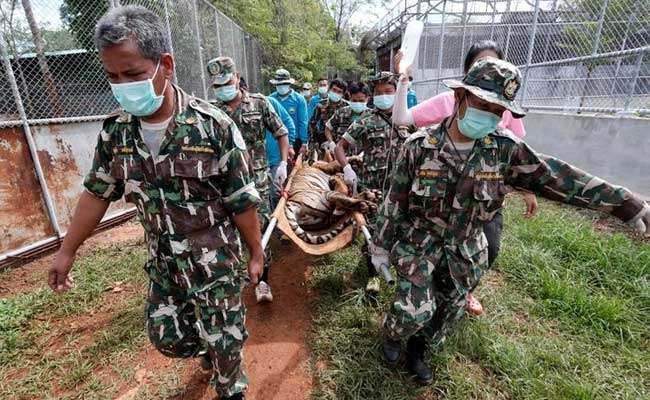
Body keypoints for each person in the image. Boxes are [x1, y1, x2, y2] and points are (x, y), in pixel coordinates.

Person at [372, 57, 650, 385]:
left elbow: (561, 179)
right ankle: (394, 335)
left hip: (466, 251)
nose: (488, 115)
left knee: (446, 313)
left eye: (497, 109)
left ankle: (419, 350)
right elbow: (396, 199)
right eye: (482, 104)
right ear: (460, 96)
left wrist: (631, 206)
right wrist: (380, 246)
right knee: (411, 310)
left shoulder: (504, 149)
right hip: (420, 243)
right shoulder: (419, 146)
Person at [47, 7, 263, 400]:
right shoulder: (116, 132)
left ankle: (231, 383)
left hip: (215, 257)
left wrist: (256, 252)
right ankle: (210, 349)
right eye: (113, 77)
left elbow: (241, 200)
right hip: (164, 260)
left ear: (166, 64)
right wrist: (67, 249)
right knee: (167, 337)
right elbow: (97, 192)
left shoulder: (213, 125)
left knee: (226, 338)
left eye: (132, 75)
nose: (122, 86)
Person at [392, 40, 538, 316]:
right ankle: (422, 295)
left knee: (488, 248)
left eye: (497, 111)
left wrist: (528, 188)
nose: (490, 114)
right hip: (442, 199)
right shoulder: (445, 105)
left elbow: (522, 157)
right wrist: (403, 80)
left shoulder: (504, 116)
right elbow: (402, 118)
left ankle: (463, 291)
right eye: (481, 66)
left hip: (484, 198)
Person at [208, 56, 289, 304]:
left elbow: (281, 132)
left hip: (257, 181)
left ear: (237, 77)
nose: (223, 88)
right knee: (228, 232)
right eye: (217, 85)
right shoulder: (211, 111)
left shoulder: (260, 103)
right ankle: (232, 280)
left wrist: (283, 163)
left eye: (226, 82)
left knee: (260, 229)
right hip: (224, 184)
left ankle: (263, 280)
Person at [334, 72, 411, 294]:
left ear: (397, 93)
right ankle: (373, 275)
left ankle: (404, 272)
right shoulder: (366, 121)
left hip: (402, 188)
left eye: (389, 91)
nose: (384, 96)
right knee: (373, 231)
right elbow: (341, 146)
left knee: (404, 230)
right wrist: (347, 168)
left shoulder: (407, 120)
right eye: (378, 93)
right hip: (373, 189)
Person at [266, 96, 297, 212]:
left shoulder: (268, 102)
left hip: (275, 157)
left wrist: (290, 144)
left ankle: (279, 220)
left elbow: (288, 123)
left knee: (275, 191)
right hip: (253, 163)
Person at [269, 68, 308, 156]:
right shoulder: (270, 99)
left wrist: (304, 143)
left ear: (289, 84)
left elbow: (303, 122)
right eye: (279, 84)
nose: (281, 86)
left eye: (284, 84)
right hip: (276, 140)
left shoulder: (299, 99)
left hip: (295, 141)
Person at [324, 81, 370, 151]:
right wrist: (331, 143)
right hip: (340, 156)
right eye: (354, 101)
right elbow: (328, 128)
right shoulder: (341, 112)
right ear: (349, 97)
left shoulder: (372, 116)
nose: (358, 103)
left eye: (361, 101)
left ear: (367, 99)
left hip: (363, 157)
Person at [310, 78, 348, 154]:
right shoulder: (321, 104)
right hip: (324, 145)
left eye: (339, 92)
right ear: (329, 89)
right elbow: (312, 122)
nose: (336, 93)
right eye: (334, 90)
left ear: (343, 94)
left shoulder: (346, 107)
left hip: (343, 145)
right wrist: (315, 140)